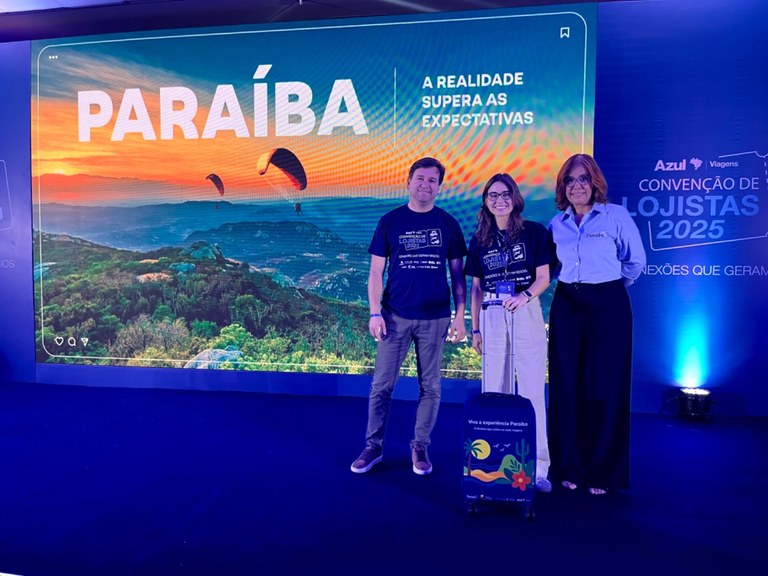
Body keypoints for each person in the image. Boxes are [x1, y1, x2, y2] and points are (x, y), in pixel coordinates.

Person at [351, 157, 467, 476]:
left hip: (435, 318)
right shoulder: (390, 221)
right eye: (420, 178)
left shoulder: (449, 224)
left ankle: (420, 446)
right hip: (394, 316)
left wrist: (460, 316)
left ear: (439, 187)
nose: (425, 184)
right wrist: (375, 312)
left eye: (432, 180)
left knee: (430, 387)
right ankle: (373, 447)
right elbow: (376, 272)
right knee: (381, 386)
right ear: (408, 182)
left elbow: (459, 277)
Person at [547, 153, 646, 495]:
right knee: (567, 385)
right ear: (563, 186)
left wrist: (610, 289)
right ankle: (569, 466)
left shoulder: (615, 215)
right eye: (570, 180)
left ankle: (603, 472)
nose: (576, 186)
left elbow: (635, 262)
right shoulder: (556, 224)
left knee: (606, 385)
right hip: (567, 305)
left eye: (583, 179)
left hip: (608, 304)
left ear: (595, 183)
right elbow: (551, 269)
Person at [464, 173, 555, 493]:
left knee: (531, 390)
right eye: (492, 195)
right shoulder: (480, 239)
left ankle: (539, 467)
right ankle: (492, 464)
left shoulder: (534, 232)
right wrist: (475, 328)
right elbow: (476, 288)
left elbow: (543, 277)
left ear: (515, 198)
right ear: (485, 202)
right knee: (493, 390)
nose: (499, 200)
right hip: (491, 311)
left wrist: (525, 296)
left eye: (505, 194)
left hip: (524, 307)